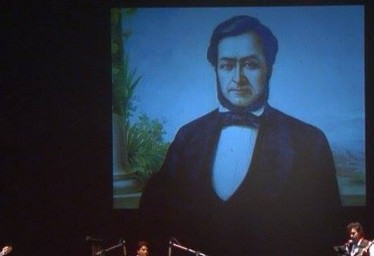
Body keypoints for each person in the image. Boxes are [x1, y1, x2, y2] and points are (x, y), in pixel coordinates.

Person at [140, 15, 340, 220]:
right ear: (216, 69)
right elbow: (155, 211)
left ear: (269, 69)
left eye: (250, 64)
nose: (238, 78)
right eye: (227, 65)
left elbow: (325, 224)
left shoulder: (310, 141)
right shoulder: (187, 137)